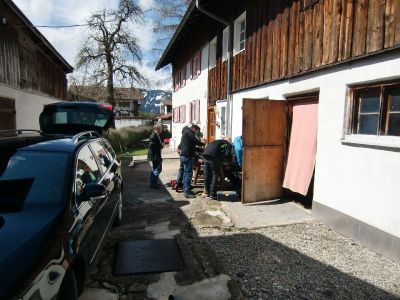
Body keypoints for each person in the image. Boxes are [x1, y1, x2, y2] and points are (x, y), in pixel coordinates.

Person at [178, 124, 205, 198]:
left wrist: (201, 149)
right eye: (197, 131)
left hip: (183, 155)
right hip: (187, 156)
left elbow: (192, 145)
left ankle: (185, 189)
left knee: (186, 173)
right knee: (189, 174)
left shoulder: (186, 133)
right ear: (194, 129)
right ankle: (187, 192)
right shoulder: (189, 132)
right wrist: (204, 144)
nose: (196, 133)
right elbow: (195, 141)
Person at [148, 123, 163, 189]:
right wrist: (160, 145)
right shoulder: (153, 135)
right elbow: (151, 145)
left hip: (156, 155)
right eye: (161, 128)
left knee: (155, 169)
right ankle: (153, 184)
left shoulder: (156, 135)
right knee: (157, 169)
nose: (161, 129)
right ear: (158, 129)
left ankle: (153, 183)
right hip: (155, 156)